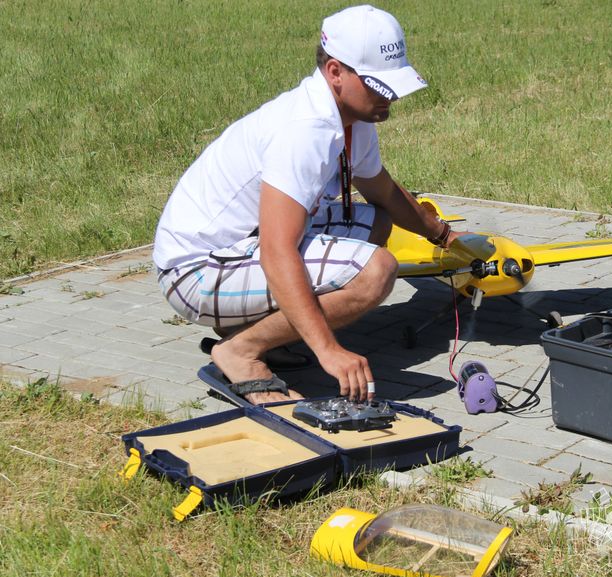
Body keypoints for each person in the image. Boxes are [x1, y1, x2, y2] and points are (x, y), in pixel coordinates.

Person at [152, 5, 459, 404]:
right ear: (335, 72)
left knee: (376, 223)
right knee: (377, 271)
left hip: (239, 248)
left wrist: (445, 235)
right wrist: (328, 350)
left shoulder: (354, 117)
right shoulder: (304, 130)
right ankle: (239, 351)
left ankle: (262, 334)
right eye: (379, 85)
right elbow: (277, 252)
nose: (392, 97)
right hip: (195, 272)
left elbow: (383, 191)